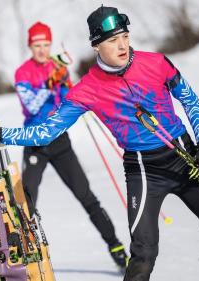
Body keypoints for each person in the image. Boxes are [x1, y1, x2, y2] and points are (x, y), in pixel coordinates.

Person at [0, 6, 199, 281]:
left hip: (184, 157)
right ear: (96, 46)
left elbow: (190, 100)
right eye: (113, 40)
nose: (123, 45)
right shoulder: (87, 89)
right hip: (143, 169)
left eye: (125, 36)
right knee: (143, 254)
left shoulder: (156, 62)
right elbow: (45, 133)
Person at [13, 21, 128, 269]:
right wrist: (49, 84)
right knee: (26, 200)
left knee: (85, 195)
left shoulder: (58, 66)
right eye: (37, 45)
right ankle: (22, 253)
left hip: (60, 141)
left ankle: (116, 246)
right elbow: (31, 106)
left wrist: (66, 85)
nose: (42, 50)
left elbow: (70, 96)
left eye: (46, 44)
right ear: (30, 46)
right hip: (35, 142)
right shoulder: (23, 73)